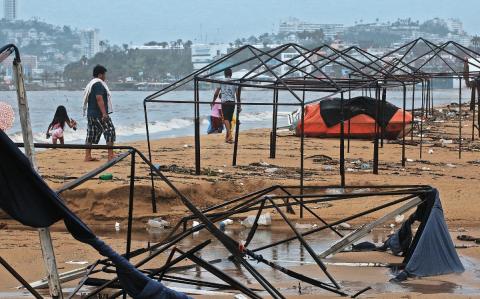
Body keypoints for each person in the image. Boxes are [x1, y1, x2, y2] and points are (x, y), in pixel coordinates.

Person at [82, 65, 116, 161]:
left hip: (90, 114)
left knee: (91, 134)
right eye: (104, 75)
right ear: (100, 75)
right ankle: (110, 156)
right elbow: (99, 98)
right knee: (110, 131)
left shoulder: (91, 84)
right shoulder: (98, 84)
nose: (105, 77)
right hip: (99, 114)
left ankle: (87, 156)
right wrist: (104, 113)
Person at [212, 68, 241, 143]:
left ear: (224, 74)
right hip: (232, 102)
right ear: (231, 74)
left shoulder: (221, 81)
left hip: (225, 102)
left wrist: (213, 101)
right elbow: (238, 95)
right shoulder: (235, 81)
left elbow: (216, 93)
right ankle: (228, 138)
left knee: (225, 119)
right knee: (229, 120)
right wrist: (239, 105)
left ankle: (230, 135)